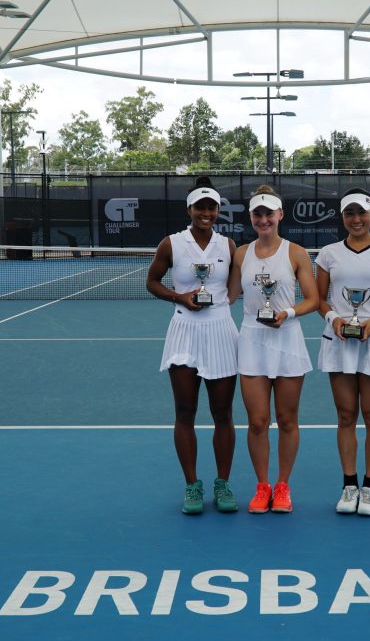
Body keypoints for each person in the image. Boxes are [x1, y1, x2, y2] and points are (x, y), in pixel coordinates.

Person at [146, 177, 239, 515]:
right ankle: (192, 485)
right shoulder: (171, 244)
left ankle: (223, 483)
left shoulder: (228, 247)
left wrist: (223, 304)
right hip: (184, 330)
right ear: (189, 209)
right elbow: (151, 282)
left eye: (211, 207)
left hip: (220, 332)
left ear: (217, 211)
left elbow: (235, 285)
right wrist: (180, 297)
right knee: (185, 412)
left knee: (223, 413)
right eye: (200, 207)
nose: (206, 213)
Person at [229, 184, 318, 514]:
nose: (264, 219)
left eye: (269, 213)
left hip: (287, 337)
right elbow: (229, 295)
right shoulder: (241, 253)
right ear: (252, 217)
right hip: (252, 337)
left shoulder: (296, 253)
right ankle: (262, 485)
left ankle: (283, 486)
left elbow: (313, 299)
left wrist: (288, 313)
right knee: (257, 421)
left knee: (287, 419)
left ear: (280, 215)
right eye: (258, 214)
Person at [315, 189, 370, 517]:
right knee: (346, 415)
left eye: (361, 213)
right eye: (349, 214)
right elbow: (320, 298)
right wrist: (334, 318)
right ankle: (349, 485)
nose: (356, 220)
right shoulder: (327, 254)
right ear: (343, 217)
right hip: (339, 342)